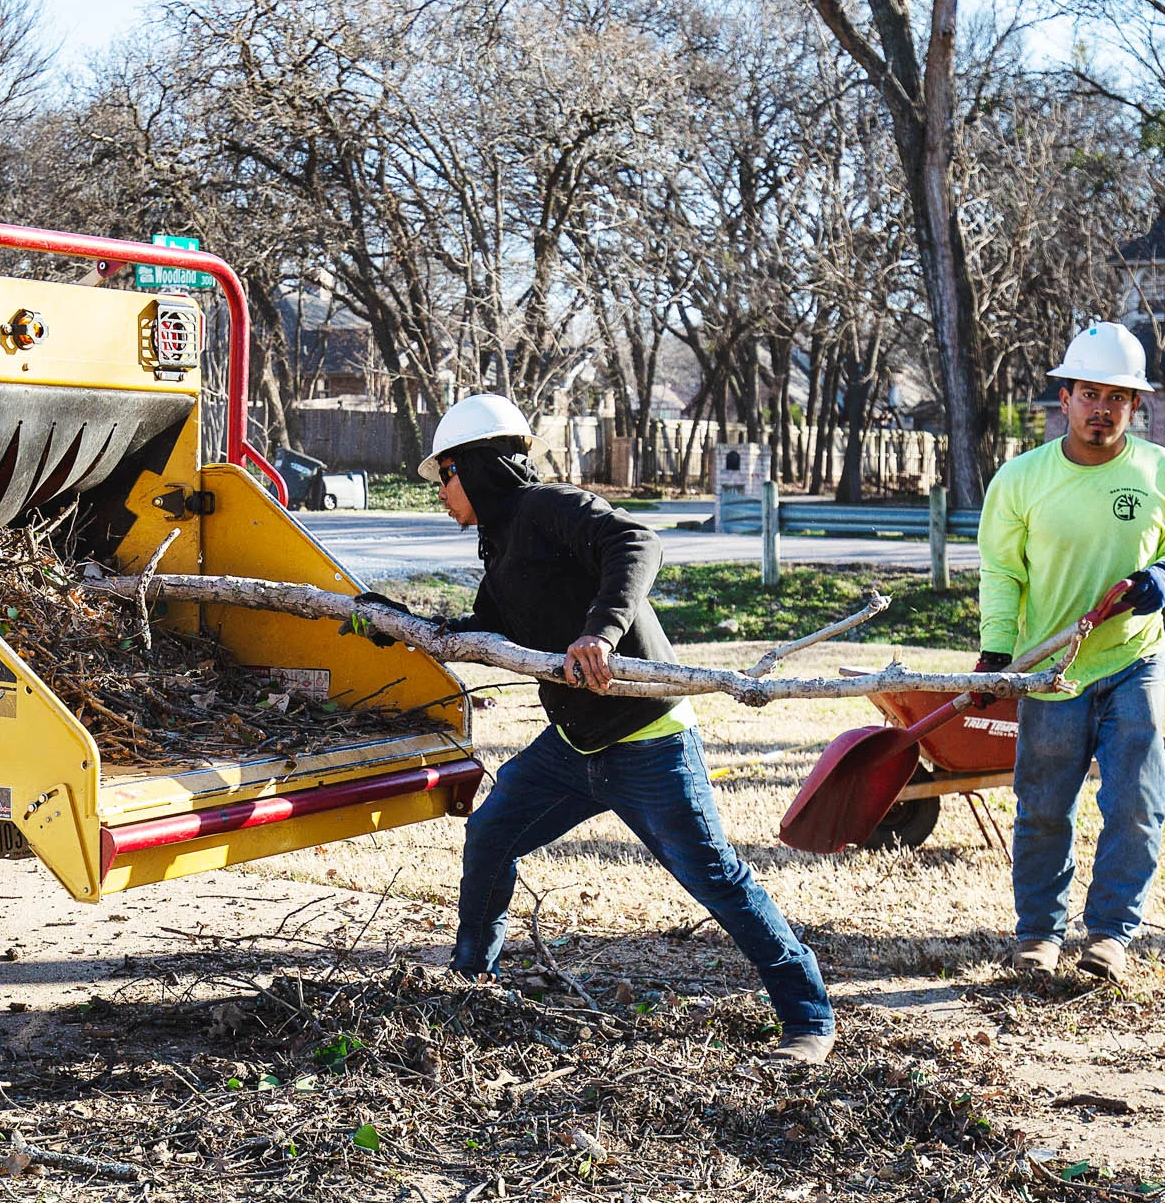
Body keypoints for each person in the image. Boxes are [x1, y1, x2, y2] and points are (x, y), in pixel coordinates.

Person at [351, 394, 836, 1063]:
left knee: (713, 876)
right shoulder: (502, 549)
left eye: (445, 476)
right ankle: (471, 985)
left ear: (479, 467)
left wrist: (599, 633)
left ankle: (808, 1017)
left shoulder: (547, 508)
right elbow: (482, 631)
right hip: (575, 747)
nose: (441, 493)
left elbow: (636, 541)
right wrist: (395, 624)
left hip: (648, 739)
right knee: (492, 834)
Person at [976, 323, 1165, 982]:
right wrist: (996, 652)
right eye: (1089, 393)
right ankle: (1039, 936)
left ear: (1134, 406)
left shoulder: (1161, 470)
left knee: (1135, 800)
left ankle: (1108, 935)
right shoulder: (1021, 479)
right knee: (1043, 805)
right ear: (1066, 396)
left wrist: (1160, 581)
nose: (1102, 409)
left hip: (1134, 658)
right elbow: (1001, 572)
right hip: (1051, 673)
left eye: (1117, 398)